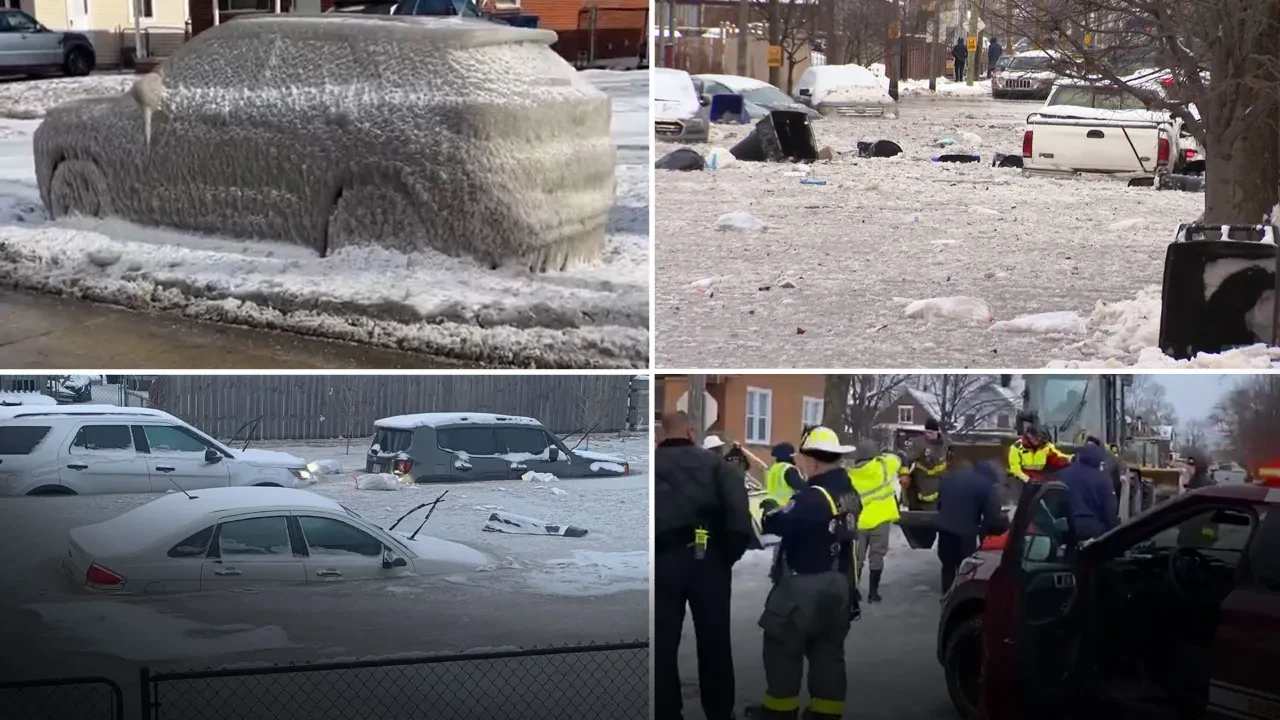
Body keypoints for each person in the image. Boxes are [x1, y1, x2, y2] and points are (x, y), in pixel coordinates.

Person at [746, 426, 861, 720]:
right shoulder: (849, 492)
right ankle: (825, 713)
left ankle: (779, 711)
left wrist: (771, 509)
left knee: (782, 648)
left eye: (802, 459)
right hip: (839, 583)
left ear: (813, 462)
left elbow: (779, 524)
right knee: (829, 653)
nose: (799, 464)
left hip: (804, 585)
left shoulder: (812, 497)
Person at [655, 412, 755, 720]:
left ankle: (665, 710)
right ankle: (719, 711)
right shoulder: (716, 466)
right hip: (708, 560)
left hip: (661, 563)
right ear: (691, 432)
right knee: (714, 643)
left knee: (662, 646)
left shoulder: (653, 466)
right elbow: (740, 518)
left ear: (661, 436)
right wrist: (725, 556)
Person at [936, 461, 1009, 594]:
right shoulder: (986, 486)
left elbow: (940, 503)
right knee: (965, 566)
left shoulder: (952, 477)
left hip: (944, 527)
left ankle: (945, 595)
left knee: (947, 566)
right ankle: (959, 597)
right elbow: (991, 516)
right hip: (965, 532)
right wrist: (1001, 525)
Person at [846, 438, 901, 603]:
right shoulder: (884, 465)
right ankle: (873, 594)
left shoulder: (850, 475)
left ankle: (853, 593)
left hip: (860, 523)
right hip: (881, 521)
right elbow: (897, 460)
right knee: (877, 557)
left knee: (857, 559)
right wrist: (883, 455)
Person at [899, 419, 950, 548]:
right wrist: (904, 474)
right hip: (923, 482)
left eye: (931, 432)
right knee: (927, 515)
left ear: (937, 432)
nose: (928, 435)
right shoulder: (918, 443)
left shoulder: (947, 443)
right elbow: (906, 460)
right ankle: (924, 542)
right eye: (926, 432)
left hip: (943, 481)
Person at [1057, 443, 1120, 541]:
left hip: (1066, 527)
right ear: (1099, 459)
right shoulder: (1103, 479)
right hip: (1092, 530)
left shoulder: (1064, 473)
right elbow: (1110, 510)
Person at [1007, 418, 1071, 486]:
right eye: (1036, 438)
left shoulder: (1046, 446)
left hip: (1040, 478)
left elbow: (1058, 456)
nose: (1039, 440)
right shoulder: (1016, 447)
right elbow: (1015, 469)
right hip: (1021, 480)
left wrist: (1071, 458)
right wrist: (1028, 480)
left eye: (1040, 438)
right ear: (1029, 436)